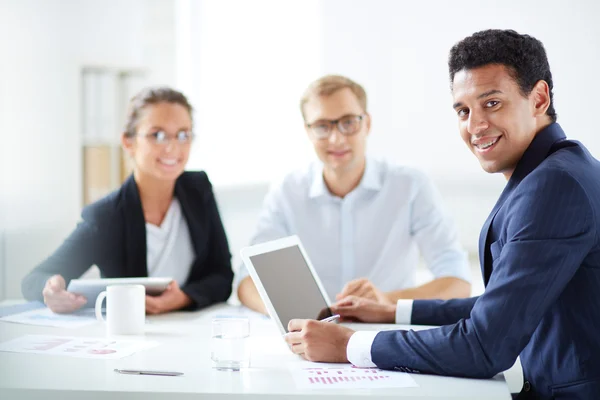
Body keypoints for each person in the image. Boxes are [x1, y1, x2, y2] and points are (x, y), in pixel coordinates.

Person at [283, 30, 600, 399]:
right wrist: (391, 311)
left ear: (539, 98)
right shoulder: (556, 170)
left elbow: (485, 345)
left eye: (492, 103)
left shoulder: (554, 186)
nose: (474, 126)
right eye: (464, 111)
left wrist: (349, 347)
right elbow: (501, 305)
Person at [237, 75, 471, 314]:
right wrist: (296, 314)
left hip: (387, 332)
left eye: (348, 122)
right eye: (321, 126)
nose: (336, 139)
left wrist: (385, 300)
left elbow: (457, 281)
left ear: (367, 124)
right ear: (308, 132)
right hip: (312, 332)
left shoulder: (409, 185)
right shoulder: (287, 191)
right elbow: (247, 282)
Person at [22, 87, 234, 314]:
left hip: (191, 330)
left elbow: (222, 274)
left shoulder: (198, 190)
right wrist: (52, 291)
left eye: (183, 135)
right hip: (131, 335)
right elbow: (35, 279)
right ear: (128, 142)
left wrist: (183, 298)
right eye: (158, 135)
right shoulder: (106, 216)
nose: (173, 148)